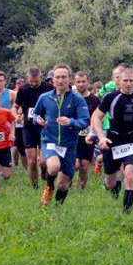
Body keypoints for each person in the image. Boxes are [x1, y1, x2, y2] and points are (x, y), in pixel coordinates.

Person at [91, 66, 133, 213]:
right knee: (110, 181)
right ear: (119, 81)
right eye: (125, 80)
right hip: (113, 140)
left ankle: (127, 213)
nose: (129, 84)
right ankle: (111, 186)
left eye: (131, 81)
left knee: (130, 175)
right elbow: (96, 117)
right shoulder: (110, 96)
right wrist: (101, 137)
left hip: (131, 139)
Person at [33, 65, 90, 207]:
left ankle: (58, 209)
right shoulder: (45, 97)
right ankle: (49, 187)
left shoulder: (77, 99)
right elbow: (35, 113)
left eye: (64, 77)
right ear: (53, 80)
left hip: (69, 145)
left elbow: (85, 121)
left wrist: (70, 121)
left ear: (69, 79)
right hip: (49, 140)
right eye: (57, 77)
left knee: (63, 185)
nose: (60, 80)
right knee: (53, 167)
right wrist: (37, 119)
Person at [14, 68, 53, 188]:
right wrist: (17, 115)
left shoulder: (48, 88)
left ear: (40, 77)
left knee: (43, 161)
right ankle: (35, 187)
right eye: (31, 81)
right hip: (28, 128)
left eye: (36, 81)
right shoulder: (23, 89)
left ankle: (44, 171)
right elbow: (16, 106)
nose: (34, 84)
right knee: (31, 161)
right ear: (27, 78)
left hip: (44, 128)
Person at [74, 71, 101, 190]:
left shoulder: (94, 100)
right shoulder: (71, 98)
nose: (81, 84)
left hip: (88, 137)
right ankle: (66, 183)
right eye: (78, 82)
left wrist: (92, 131)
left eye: (83, 81)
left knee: (84, 166)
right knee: (74, 165)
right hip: (72, 137)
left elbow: (99, 117)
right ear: (74, 83)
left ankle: (80, 190)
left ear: (87, 82)